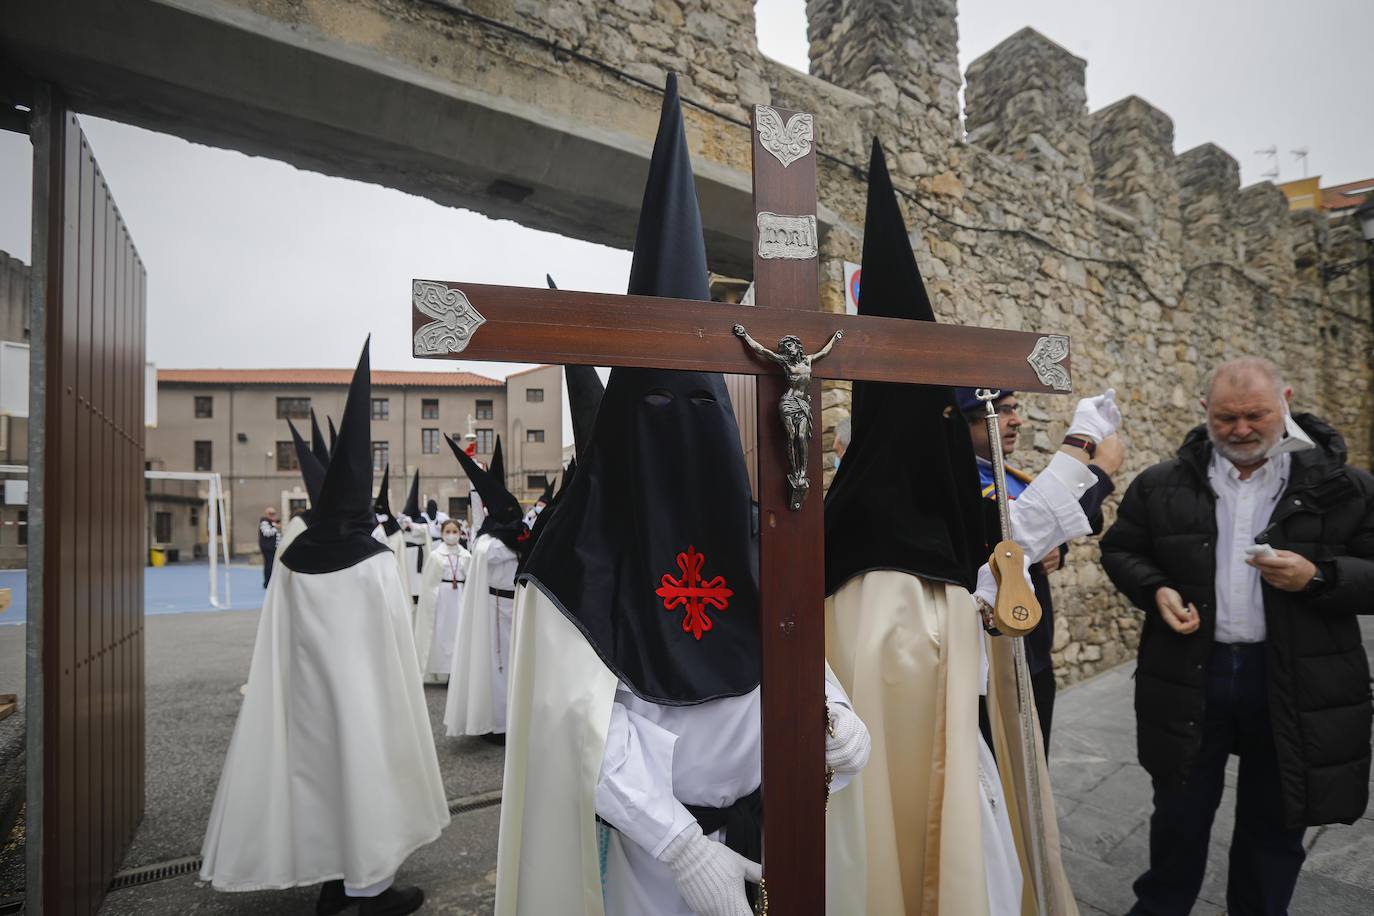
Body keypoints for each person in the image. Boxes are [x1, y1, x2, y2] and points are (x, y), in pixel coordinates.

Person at [494, 75, 870, 916]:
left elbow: (789, 639)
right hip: (661, 860)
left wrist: (835, 714)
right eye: (658, 408)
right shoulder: (574, 557)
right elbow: (576, 724)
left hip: (778, 827)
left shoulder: (753, 522)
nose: (679, 429)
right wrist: (674, 843)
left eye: (697, 407)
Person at [824, 139, 1089, 915]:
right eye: (960, 420)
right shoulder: (882, 569)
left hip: (962, 771)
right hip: (927, 792)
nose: (987, 425)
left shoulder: (882, 533)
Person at [1100, 357, 1373, 915]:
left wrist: (1318, 577)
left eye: (1255, 415)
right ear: (1205, 411)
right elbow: (1123, 550)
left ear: (1287, 400)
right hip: (1190, 673)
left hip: (1297, 678)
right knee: (1178, 813)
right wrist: (1156, 590)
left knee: (1277, 821)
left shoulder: (1345, 487)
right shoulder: (1162, 483)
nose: (1241, 429)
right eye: (1226, 418)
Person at [200, 338, 448, 916]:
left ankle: (334, 880)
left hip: (306, 699)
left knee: (318, 778)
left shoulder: (292, 554)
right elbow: (394, 643)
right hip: (365, 699)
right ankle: (370, 889)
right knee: (363, 775)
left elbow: (276, 638)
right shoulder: (374, 560)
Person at [954, 386, 1124, 749]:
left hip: (1035, 647)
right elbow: (1017, 532)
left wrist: (1056, 551)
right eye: (1001, 412)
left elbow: (1074, 522)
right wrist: (1101, 470)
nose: (1016, 420)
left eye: (1015, 409)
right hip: (1000, 649)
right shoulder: (966, 486)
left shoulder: (1009, 475)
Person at [444, 435, 525, 743]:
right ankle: (496, 723)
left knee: (515, 668)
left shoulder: (514, 535)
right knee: (496, 669)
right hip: (492, 611)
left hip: (516, 607)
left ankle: (515, 720)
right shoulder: (488, 543)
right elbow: (490, 553)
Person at [413, 518, 470, 685]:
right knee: (442, 633)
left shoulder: (466, 556)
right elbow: (428, 582)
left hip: (459, 597)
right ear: (442, 533)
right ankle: (442, 672)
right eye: (448, 532)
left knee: (458, 633)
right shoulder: (435, 556)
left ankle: (456, 672)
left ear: (460, 534)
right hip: (442, 599)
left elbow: (471, 580)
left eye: (455, 532)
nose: (451, 535)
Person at [397, 470, 430, 612]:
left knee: (418, 578)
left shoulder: (421, 521)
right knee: (408, 578)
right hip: (406, 553)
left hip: (418, 554)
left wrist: (412, 525)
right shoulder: (403, 520)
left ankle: (420, 597)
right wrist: (403, 524)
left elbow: (424, 531)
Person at [257, 507, 281, 587]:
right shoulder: (264, 522)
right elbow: (267, 533)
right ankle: (267, 582)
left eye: (274, 513)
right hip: (268, 548)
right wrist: (275, 528)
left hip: (273, 547)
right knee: (269, 565)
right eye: (271, 514)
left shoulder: (271, 522)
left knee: (271, 565)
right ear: (267, 514)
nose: (273, 515)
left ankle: (270, 582)